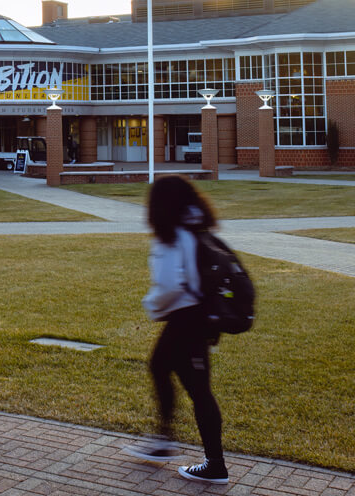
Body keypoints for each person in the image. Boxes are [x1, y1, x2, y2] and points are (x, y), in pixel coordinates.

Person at [121, 176, 229, 485]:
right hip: (196, 317)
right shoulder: (195, 228)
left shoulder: (173, 236)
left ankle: (212, 463)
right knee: (164, 369)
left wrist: (151, 305)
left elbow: (169, 285)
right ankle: (165, 440)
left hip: (187, 318)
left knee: (196, 388)